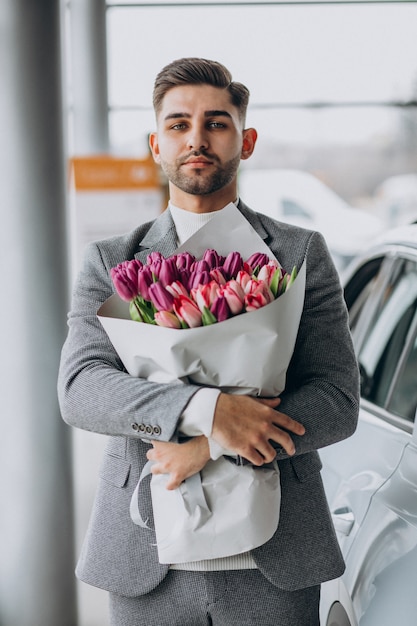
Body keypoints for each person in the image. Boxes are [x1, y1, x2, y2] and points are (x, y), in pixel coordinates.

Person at [58, 57, 359, 626]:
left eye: (216, 123)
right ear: (155, 144)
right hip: (145, 555)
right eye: (178, 125)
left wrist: (214, 443)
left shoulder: (299, 254)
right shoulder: (112, 261)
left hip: (277, 555)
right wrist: (206, 410)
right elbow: (81, 390)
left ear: (245, 140)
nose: (196, 138)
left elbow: (337, 402)